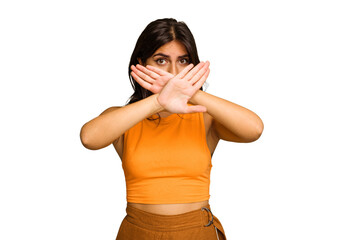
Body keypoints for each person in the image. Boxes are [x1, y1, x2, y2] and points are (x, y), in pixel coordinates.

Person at [80, 18, 264, 240]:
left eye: (183, 61)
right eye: (161, 61)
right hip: (138, 232)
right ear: (141, 62)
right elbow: (89, 138)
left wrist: (190, 91)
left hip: (197, 231)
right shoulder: (125, 118)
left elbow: (254, 129)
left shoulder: (204, 115)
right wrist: (159, 101)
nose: (174, 72)